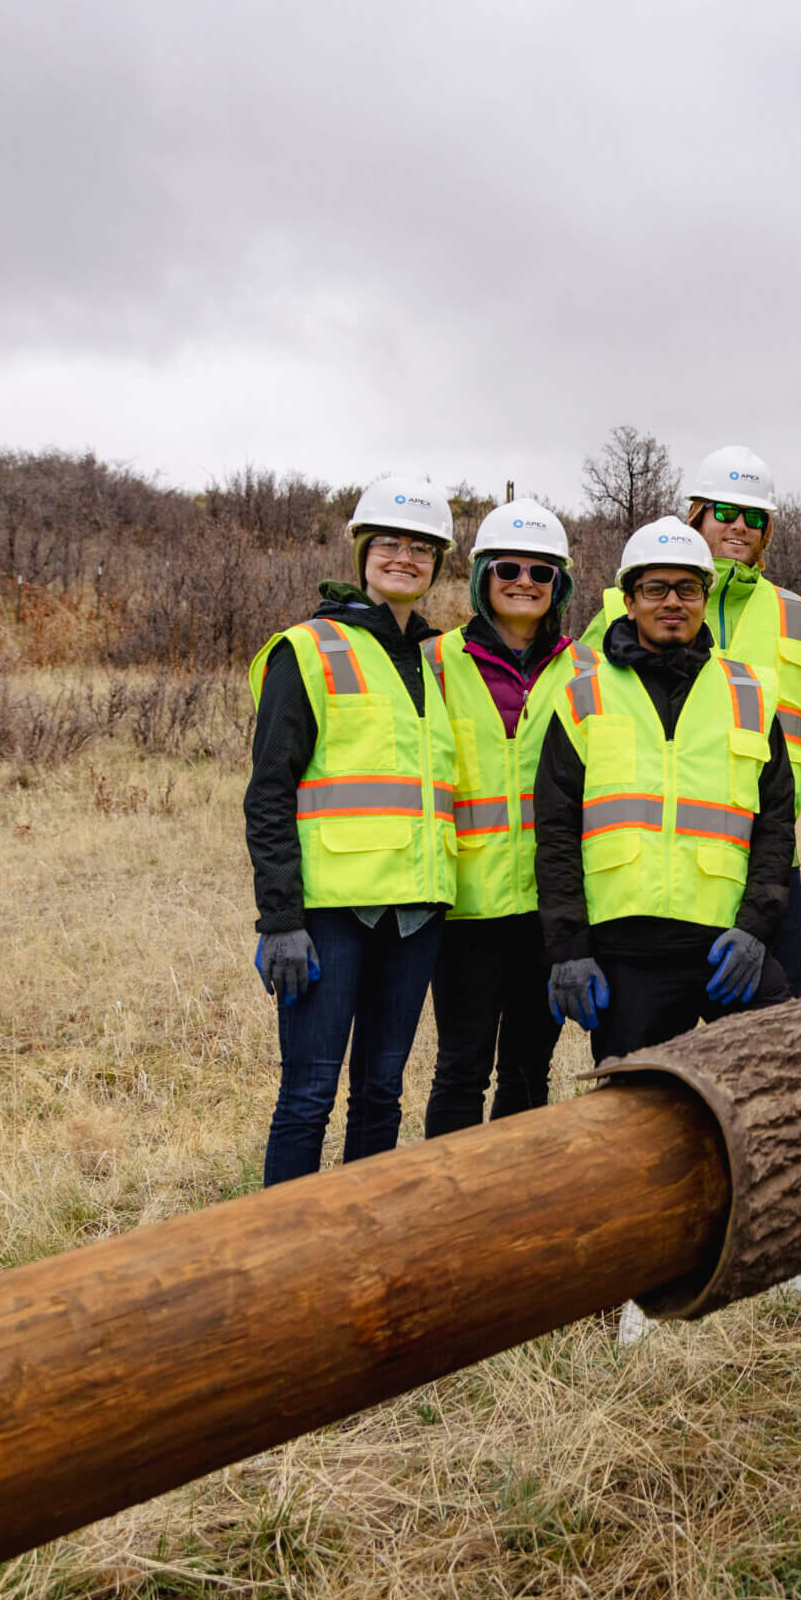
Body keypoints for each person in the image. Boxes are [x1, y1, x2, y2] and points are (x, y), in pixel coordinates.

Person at [243, 478, 458, 1185]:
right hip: (329, 917)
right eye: (391, 543)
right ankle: (286, 1256)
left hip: (415, 916)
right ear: (364, 552)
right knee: (307, 1096)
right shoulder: (306, 650)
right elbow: (269, 792)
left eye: (422, 547)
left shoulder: (436, 662)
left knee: (381, 1094)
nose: (406, 557)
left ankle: (359, 1248)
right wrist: (280, 918)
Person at [584, 447, 801, 996]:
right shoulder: (619, 609)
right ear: (696, 516)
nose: (737, 526)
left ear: (767, 531)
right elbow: (571, 718)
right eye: (724, 511)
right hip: (655, 863)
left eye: (754, 517)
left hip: (767, 856)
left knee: (770, 1036)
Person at [532, 517, 796, 1056]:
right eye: (655, 588)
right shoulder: (585, 694)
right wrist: (568, 949)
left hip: (727, 945)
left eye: (688, 588)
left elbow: (775, 823)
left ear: (705, 597)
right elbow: (555, 832)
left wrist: (756, 930)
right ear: (629, 601)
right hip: (627, 952)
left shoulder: (748, 692)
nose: (672, 602)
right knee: (630, 1116)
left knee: (780, 1084)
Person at [420, 500, 580, 1139]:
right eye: (508, 567)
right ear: (482, 575)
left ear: (558, 585)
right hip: (465, 912)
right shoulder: (433, 661)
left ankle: (513, 1208)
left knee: (529, 1070)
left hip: (552, 909)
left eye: (541, 572)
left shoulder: (587, 669)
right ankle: (449, 1205)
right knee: (461, 1069)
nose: (524, 581)